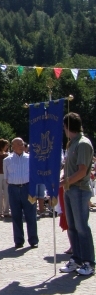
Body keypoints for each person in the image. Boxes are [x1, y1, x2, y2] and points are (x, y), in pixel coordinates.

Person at [59, 113, 95, 276]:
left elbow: (81, 172)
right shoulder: (71, 144)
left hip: (79, 190)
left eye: (64, 126)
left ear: (67, 126)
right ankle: (77, 258)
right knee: (72, 226)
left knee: (81, 227)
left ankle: (89, 262)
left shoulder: (82, 144)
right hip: (70, 189)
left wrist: (67, 181)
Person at [3, 137, 38, 249]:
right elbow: (6, 178)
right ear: (13, 146)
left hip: (27, 188)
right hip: (13, 189)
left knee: (31, 215)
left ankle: (33, 240)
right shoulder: (7, 160)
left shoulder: (31, 158)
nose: (22, 145)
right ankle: (18, 240)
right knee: (16, 215)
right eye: (19, 144)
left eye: (22, 143)